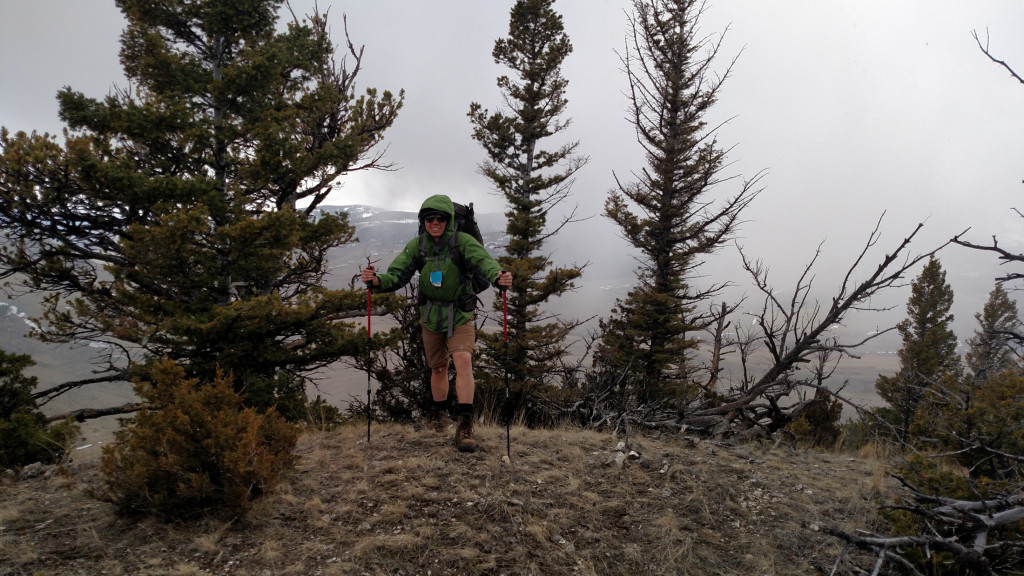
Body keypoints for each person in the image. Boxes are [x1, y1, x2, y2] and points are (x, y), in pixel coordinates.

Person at [361, 194, 513, 452]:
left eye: (440, 217)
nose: (435, 222)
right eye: (429, 217)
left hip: (460, 314)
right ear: (423, 221)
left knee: (463, 360)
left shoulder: (463, 242)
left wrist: (499, 277)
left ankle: (465, 426)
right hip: (431, 316)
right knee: (438, 368)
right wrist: (375, 282)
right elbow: (397, 275)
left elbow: (485, 262)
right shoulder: (417, 246)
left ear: (449, 220)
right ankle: (438, 417)